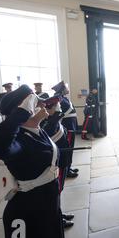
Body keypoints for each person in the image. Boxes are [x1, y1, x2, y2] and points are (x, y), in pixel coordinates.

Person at [0, 85, 64, 238]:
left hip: (48, 207)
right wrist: (21, 112)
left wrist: (55, 113)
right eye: (35, 102)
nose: (42, 105)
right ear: (24, 110)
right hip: (27, 213)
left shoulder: (36, 131)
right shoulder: (18, 140)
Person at [41, 96, 75, 229]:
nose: (59, 107)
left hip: (63, 161)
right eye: (57, 105)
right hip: (57, 163)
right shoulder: (49, 123)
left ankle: (59, 213)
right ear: (51, 108)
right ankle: (56, 219)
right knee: (56, 192)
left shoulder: (54, 120)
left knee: (59, 191)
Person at [52, 81, 78, 178]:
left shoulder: (63, 98)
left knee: (70, 149)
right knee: (67, 149)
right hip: (68, 127)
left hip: (71, 126)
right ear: (62, 89)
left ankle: (68, 167)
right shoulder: (58, 99)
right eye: (66, 87)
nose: (68, 89)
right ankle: (66, 171)